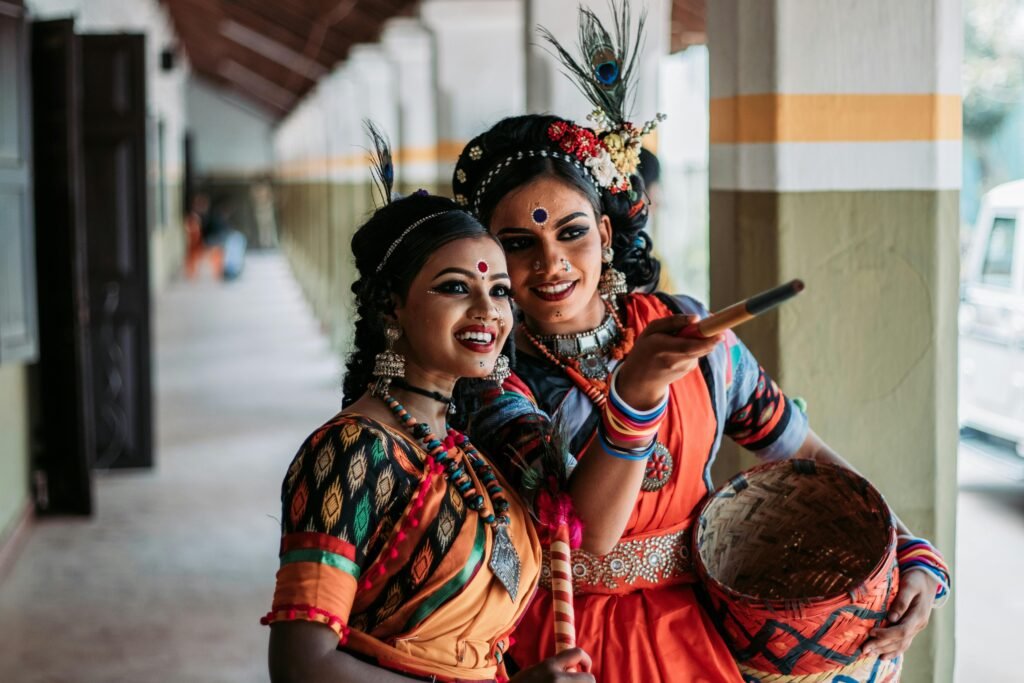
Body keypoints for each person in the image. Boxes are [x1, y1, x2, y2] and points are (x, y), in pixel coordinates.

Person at [449, 5, 950, 682]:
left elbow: (799, 451)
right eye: (517, 244)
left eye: (570, 232)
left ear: (603, 231)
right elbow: (587, 530)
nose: (551, 263)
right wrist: (637, 392)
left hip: (705, 619)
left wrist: (911, 548)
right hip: (574, 637)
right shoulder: (492, 375)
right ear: (487, 257)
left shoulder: (688, 329)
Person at [262, 128, 596, 683]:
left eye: (499, 292)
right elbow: (302, 665)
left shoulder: (463, 452)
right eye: (455, 288)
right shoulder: (350, 451)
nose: (488, 312)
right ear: (392, 307)